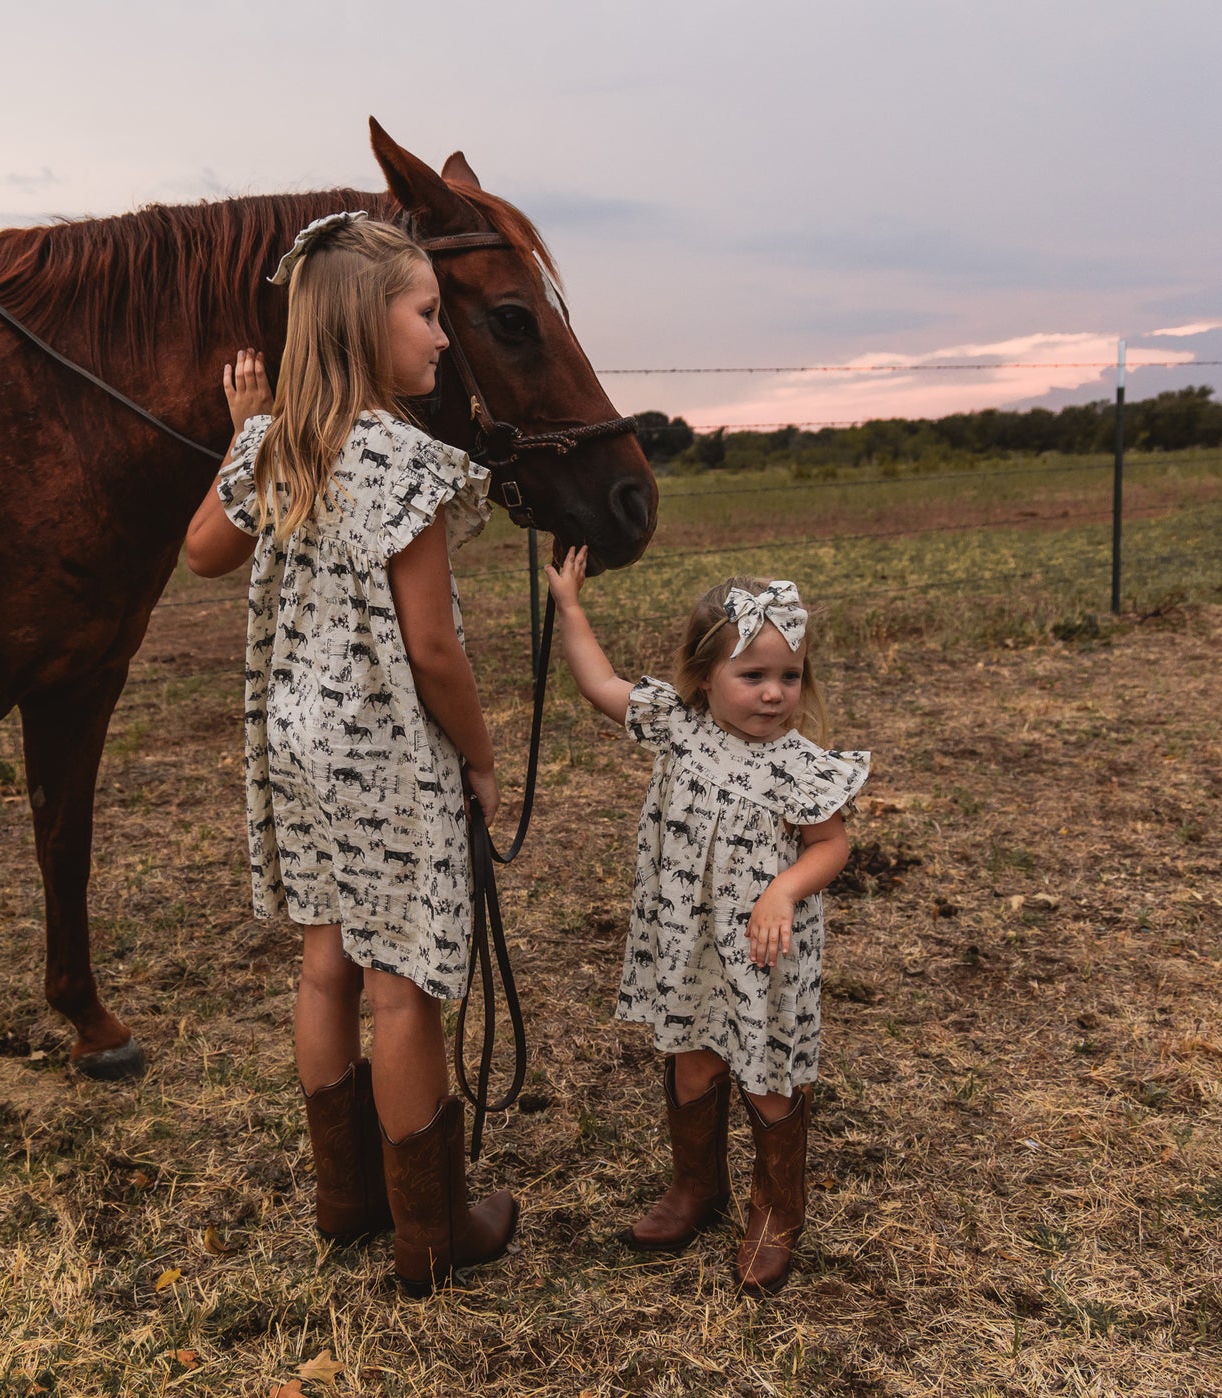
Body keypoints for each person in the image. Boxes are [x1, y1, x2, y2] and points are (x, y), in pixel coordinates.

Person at [185, 212, 517, 1296]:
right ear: (363, 326)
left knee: (325, 959)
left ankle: (346, 1200)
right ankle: (432, 1233)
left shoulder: (283, 446)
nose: (439, 337)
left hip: (296, 740)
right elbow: (431, 644)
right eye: (424, 315)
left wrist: (247, 431)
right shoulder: (407, 462)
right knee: (404, 984)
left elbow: (201, 554)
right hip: (382, 750)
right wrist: (478, 753)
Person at [544, 550, 869, 1294]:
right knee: (693, 1053)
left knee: (765, 1073)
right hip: (687, 938)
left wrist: (782, 892)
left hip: (763, 950)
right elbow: (598, 682)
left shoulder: (801, 767)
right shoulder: (676, 728)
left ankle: (775, 1207)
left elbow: (830, 846)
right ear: (703, 677)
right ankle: (696, 1186)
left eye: (788, 677)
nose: (773, 694)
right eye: (751, 676)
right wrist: (570, 608)